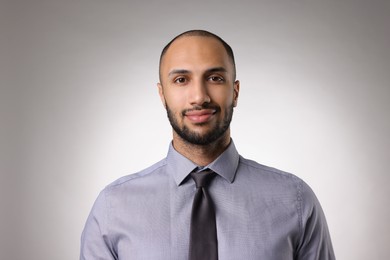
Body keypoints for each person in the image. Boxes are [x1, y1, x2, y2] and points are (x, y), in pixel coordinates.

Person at [80, 30, 335, 260]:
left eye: (214, 78)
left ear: (235, 92)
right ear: (162, 95)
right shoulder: (113, 208)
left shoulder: (296, 201)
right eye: (181, 80)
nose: (199, 96)